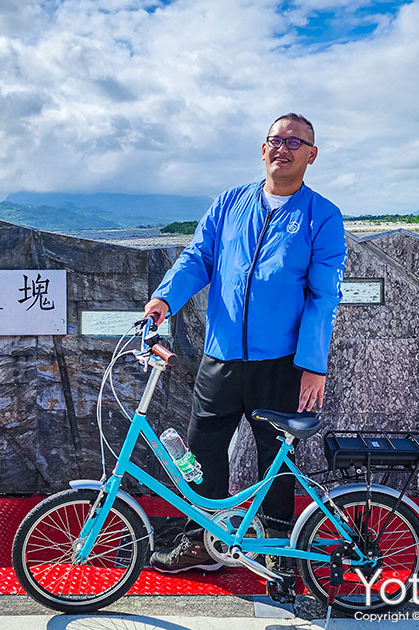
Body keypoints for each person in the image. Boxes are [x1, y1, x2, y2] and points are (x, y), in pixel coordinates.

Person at [143, 113, 347, 587]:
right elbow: (198, 257)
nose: (284, 148)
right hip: (221, 357)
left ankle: (278, 547)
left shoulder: (322, 215)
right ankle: (201, 541)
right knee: (201, 452)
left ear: (311, 155)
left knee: (277, 458)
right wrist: (164, 298)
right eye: (276, 140)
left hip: (281, 363)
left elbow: (324, 296)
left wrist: (314, 365)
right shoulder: (230, 204)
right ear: (263, 149)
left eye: (295, 142)